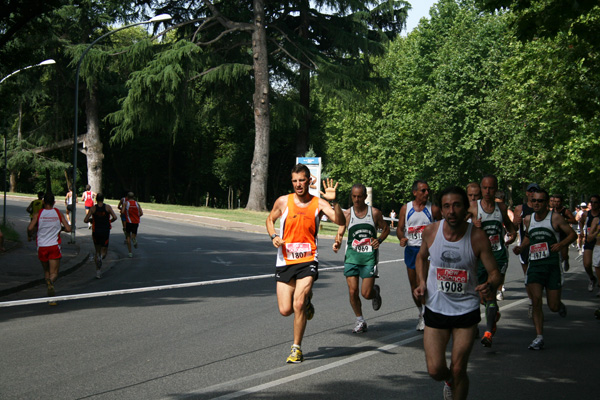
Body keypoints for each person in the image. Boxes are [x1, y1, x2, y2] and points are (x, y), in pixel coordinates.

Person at [414, 186, 501, 400]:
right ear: (441, 210)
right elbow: (421, 257)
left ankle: (455, 380)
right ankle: (449, 381)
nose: (451, 211)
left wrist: (490, 284)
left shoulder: (478, 237)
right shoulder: (431, 231)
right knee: (435, 370)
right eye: (446, 206)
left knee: (459, 368)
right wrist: (422, 282)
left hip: (466, 308)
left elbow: (494, 273)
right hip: (436, 306)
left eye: (456, 205)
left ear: (465, 209)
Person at [265, 164, 345, 363]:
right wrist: (273, 236)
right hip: (285, 259)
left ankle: (296, 348)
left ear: (309, 180)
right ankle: (307, 303)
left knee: (298, 303)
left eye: (302, 180)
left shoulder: (319, 203)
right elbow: (269, 219)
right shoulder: (283, 201)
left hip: (308, 259)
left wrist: (334, 202)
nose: (298, 184)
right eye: (295, 181)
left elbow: (340, 220)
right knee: (285, 309)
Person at [513, 189, 576, 350]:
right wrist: (521, 247)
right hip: (535, 266)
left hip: (552, 266)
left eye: (540, 201)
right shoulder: (528, 219)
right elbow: (529, 236)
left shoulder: (554, 218)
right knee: (536, 302)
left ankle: (559, 306)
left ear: (546, 203)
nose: (536, 203)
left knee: (553, 306)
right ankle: (539, 336)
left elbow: (572, 235)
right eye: (534, 200)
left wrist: (561, 244)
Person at [333, 184, 390, 333]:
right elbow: (340, 232)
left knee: (366, 293)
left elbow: (386, 228)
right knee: (353, 292)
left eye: (359, 196)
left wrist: (380, 240)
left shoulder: (375, 213)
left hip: (369, 259)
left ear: (365, 197)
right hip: (351, 258)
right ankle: (360, 320)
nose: (357, 199)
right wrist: (337, 243)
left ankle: (375, 293)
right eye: (354, 196)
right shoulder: (347, 214)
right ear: (351, 196)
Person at [467, 175, 516, 347]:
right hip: (480, 258)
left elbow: (510, 227)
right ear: (481, 188)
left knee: (490, 291)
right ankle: (492, 314)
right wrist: (473, 225)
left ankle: (488, 332)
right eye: (485, 188)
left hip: (498, 256)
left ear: (496, 189)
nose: (488, 191)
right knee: (482, 296)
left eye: (491, 188)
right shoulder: (473, 207)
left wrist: (512, 236)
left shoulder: (500, 207)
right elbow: (459, 225)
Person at [397, 180, 442, 331]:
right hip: (411, 250)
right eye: (423, 191)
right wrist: (401, 238)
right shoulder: (406, 208)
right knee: (413, 286)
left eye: (428, 190)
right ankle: (421, 312)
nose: (426, 193)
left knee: (423, 283)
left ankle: (427, 312)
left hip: (427, 252)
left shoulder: (433, 209)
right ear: (415, 192)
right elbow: (400, 228)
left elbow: (444, 225)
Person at [27, 193, 72, 305]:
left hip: (41, 246)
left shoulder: (39, 213)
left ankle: (51, 297)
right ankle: (51, 283)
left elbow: (30, 228)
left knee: (46, 271)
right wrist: (59, 228)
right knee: (54, 273)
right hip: (54, 246)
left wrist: (30, 235)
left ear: (43, 202)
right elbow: (68, 228)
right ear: (54, 203)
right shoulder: (57, 213)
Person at [513, 182, 539, 318]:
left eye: (535, 191)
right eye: (530, 191)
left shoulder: (542, 209)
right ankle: (532, 303)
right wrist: (515, 223)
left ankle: (537, 301)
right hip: (525, 246)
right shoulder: (520, 208)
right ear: (527, 193)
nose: (532, 193)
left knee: (539, 278)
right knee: (528, 277)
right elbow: (513, 229)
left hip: (540, 247)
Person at [83, 193, 118, 278]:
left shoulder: (93, 208)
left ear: (96, 199)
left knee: (97, 251)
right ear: (103, 199)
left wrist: (92, 220)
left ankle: (98, 272)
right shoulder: (108, 207)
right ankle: (101, 258)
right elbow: (115, 217)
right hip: (105, 231)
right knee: (104, 251)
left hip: (96, 231)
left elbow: (85, 220)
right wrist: (109, 221)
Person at [580, 195, 600, 292]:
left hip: (598, 241)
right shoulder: (586, 214)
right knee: (587, 264)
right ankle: (592, 278)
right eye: (591, 202)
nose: (593, 204)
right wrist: (582, 232)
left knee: (598, 265)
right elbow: (580, 222)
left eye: (595, 202)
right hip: (589, 240)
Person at [552, 194, 576, 272]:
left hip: (564, 235)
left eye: (558, 201)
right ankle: (557, 269)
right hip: (554, 234)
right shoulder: (551, 211)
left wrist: (564, 220)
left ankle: (566, 259)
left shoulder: (565, 211)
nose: (556, 203)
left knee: (564, 254)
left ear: (561, 202)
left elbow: (574, 221)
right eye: (554, 201)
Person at [122, 192, 143, 258]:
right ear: (134, 197)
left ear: (127, 197)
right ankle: (134, 239)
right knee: (133, 235)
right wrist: (137, 215)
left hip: (129, 222)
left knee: (128, 236)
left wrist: (126, 212)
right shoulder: (137, 204)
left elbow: (122, 212)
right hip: (136, 222)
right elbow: (141, 213)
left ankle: (130, 252)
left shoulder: (126, 203)